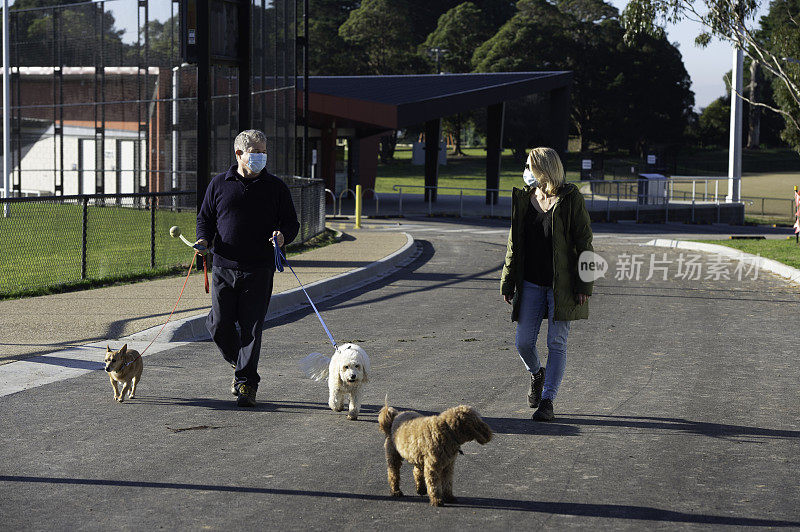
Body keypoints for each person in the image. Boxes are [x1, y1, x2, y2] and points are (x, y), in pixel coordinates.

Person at [195, 129, 300, 407]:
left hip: (260, 268)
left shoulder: (276, 187)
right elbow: (204, 219)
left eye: (264, 151)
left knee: (252, 328)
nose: (262, 157)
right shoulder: (219, 184)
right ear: (239, 154)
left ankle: (246, 384)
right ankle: (239, 364)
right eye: (256, 152)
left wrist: (282, 237)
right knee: (218, 324)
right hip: (224, 266)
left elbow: (291, 223)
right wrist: (203, 239)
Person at [500, 147, 593, 421]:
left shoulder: (570, 198)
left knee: (557, 343)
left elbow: (585, 242)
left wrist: (584, 285)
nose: (526, 172)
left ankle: (548, 400)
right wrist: (507, 282)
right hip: (530, 283)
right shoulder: (525, 198)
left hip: (561, 286)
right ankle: (536, 374)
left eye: (529, 166)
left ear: (543, 169)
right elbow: (513, 245)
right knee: (523, 342)